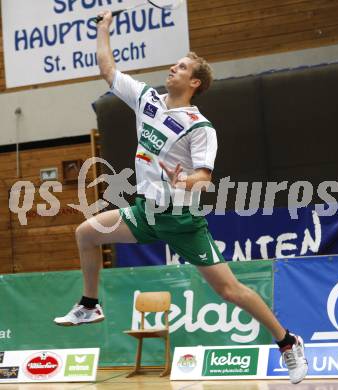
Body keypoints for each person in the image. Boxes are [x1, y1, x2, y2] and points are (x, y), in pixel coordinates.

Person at [54, 10, 308, 384]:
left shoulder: (201, 128)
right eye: (174, 64)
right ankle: (90, 304)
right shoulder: (147, 101)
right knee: (86, 233)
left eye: (181, 66)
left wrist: (183, 179)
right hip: (146, 213)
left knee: (230, 290)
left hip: (183, 221)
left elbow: (204, 179)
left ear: (195, 82)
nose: (172, 69)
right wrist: (104, 30)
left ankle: (287, 342)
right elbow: (108, 70)